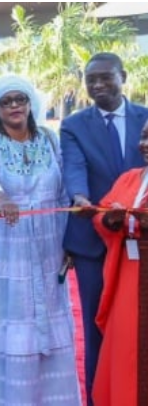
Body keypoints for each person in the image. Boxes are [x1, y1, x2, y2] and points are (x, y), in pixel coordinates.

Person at [0, 75, 80, 405]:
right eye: (6, 102)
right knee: (9, 321)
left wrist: (69, 239)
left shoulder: (49, 139)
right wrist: (0, 197)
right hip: (4, 248)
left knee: (45, 318)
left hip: (47, 245)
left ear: (30, 103)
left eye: (20, 99)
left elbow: (63, 190)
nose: (14, 106)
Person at [61, 52, 148, 404]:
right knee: (99, 327)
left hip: (141, 245)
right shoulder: (74, 124)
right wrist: (80, 198)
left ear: (123, 76)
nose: (97, 85)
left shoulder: (146, 117)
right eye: (90, 79)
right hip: (91, 242)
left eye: (105, 77)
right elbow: (74, 168)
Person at [91, 118, 148, 406]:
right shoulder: (130, 178)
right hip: (127, 275)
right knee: (126, 346)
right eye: (143, 137)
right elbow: (102, 212)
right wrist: (109, 219)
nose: (145, 145)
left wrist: (132, 219)